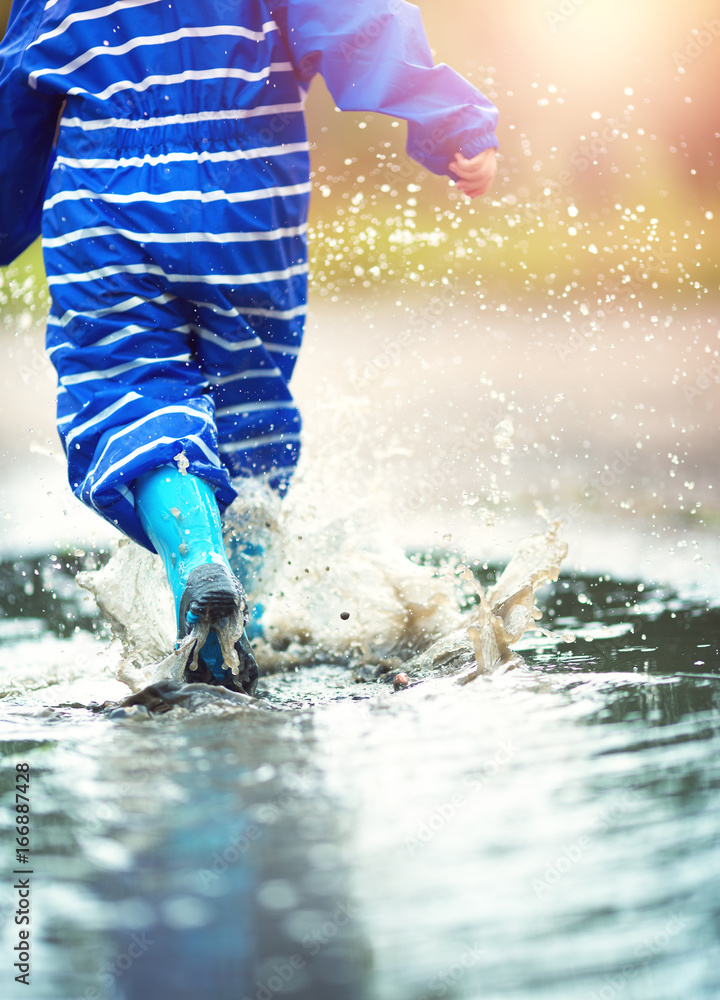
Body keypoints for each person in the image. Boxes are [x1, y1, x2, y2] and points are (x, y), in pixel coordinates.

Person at [0, 0, 498, 694]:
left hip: (105, 204)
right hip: (248, 202)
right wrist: (447, 118)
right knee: (248, 412)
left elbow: (19, 95)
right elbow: (354, 17)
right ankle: (243, 629)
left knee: (127, 391)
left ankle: (198, 560)